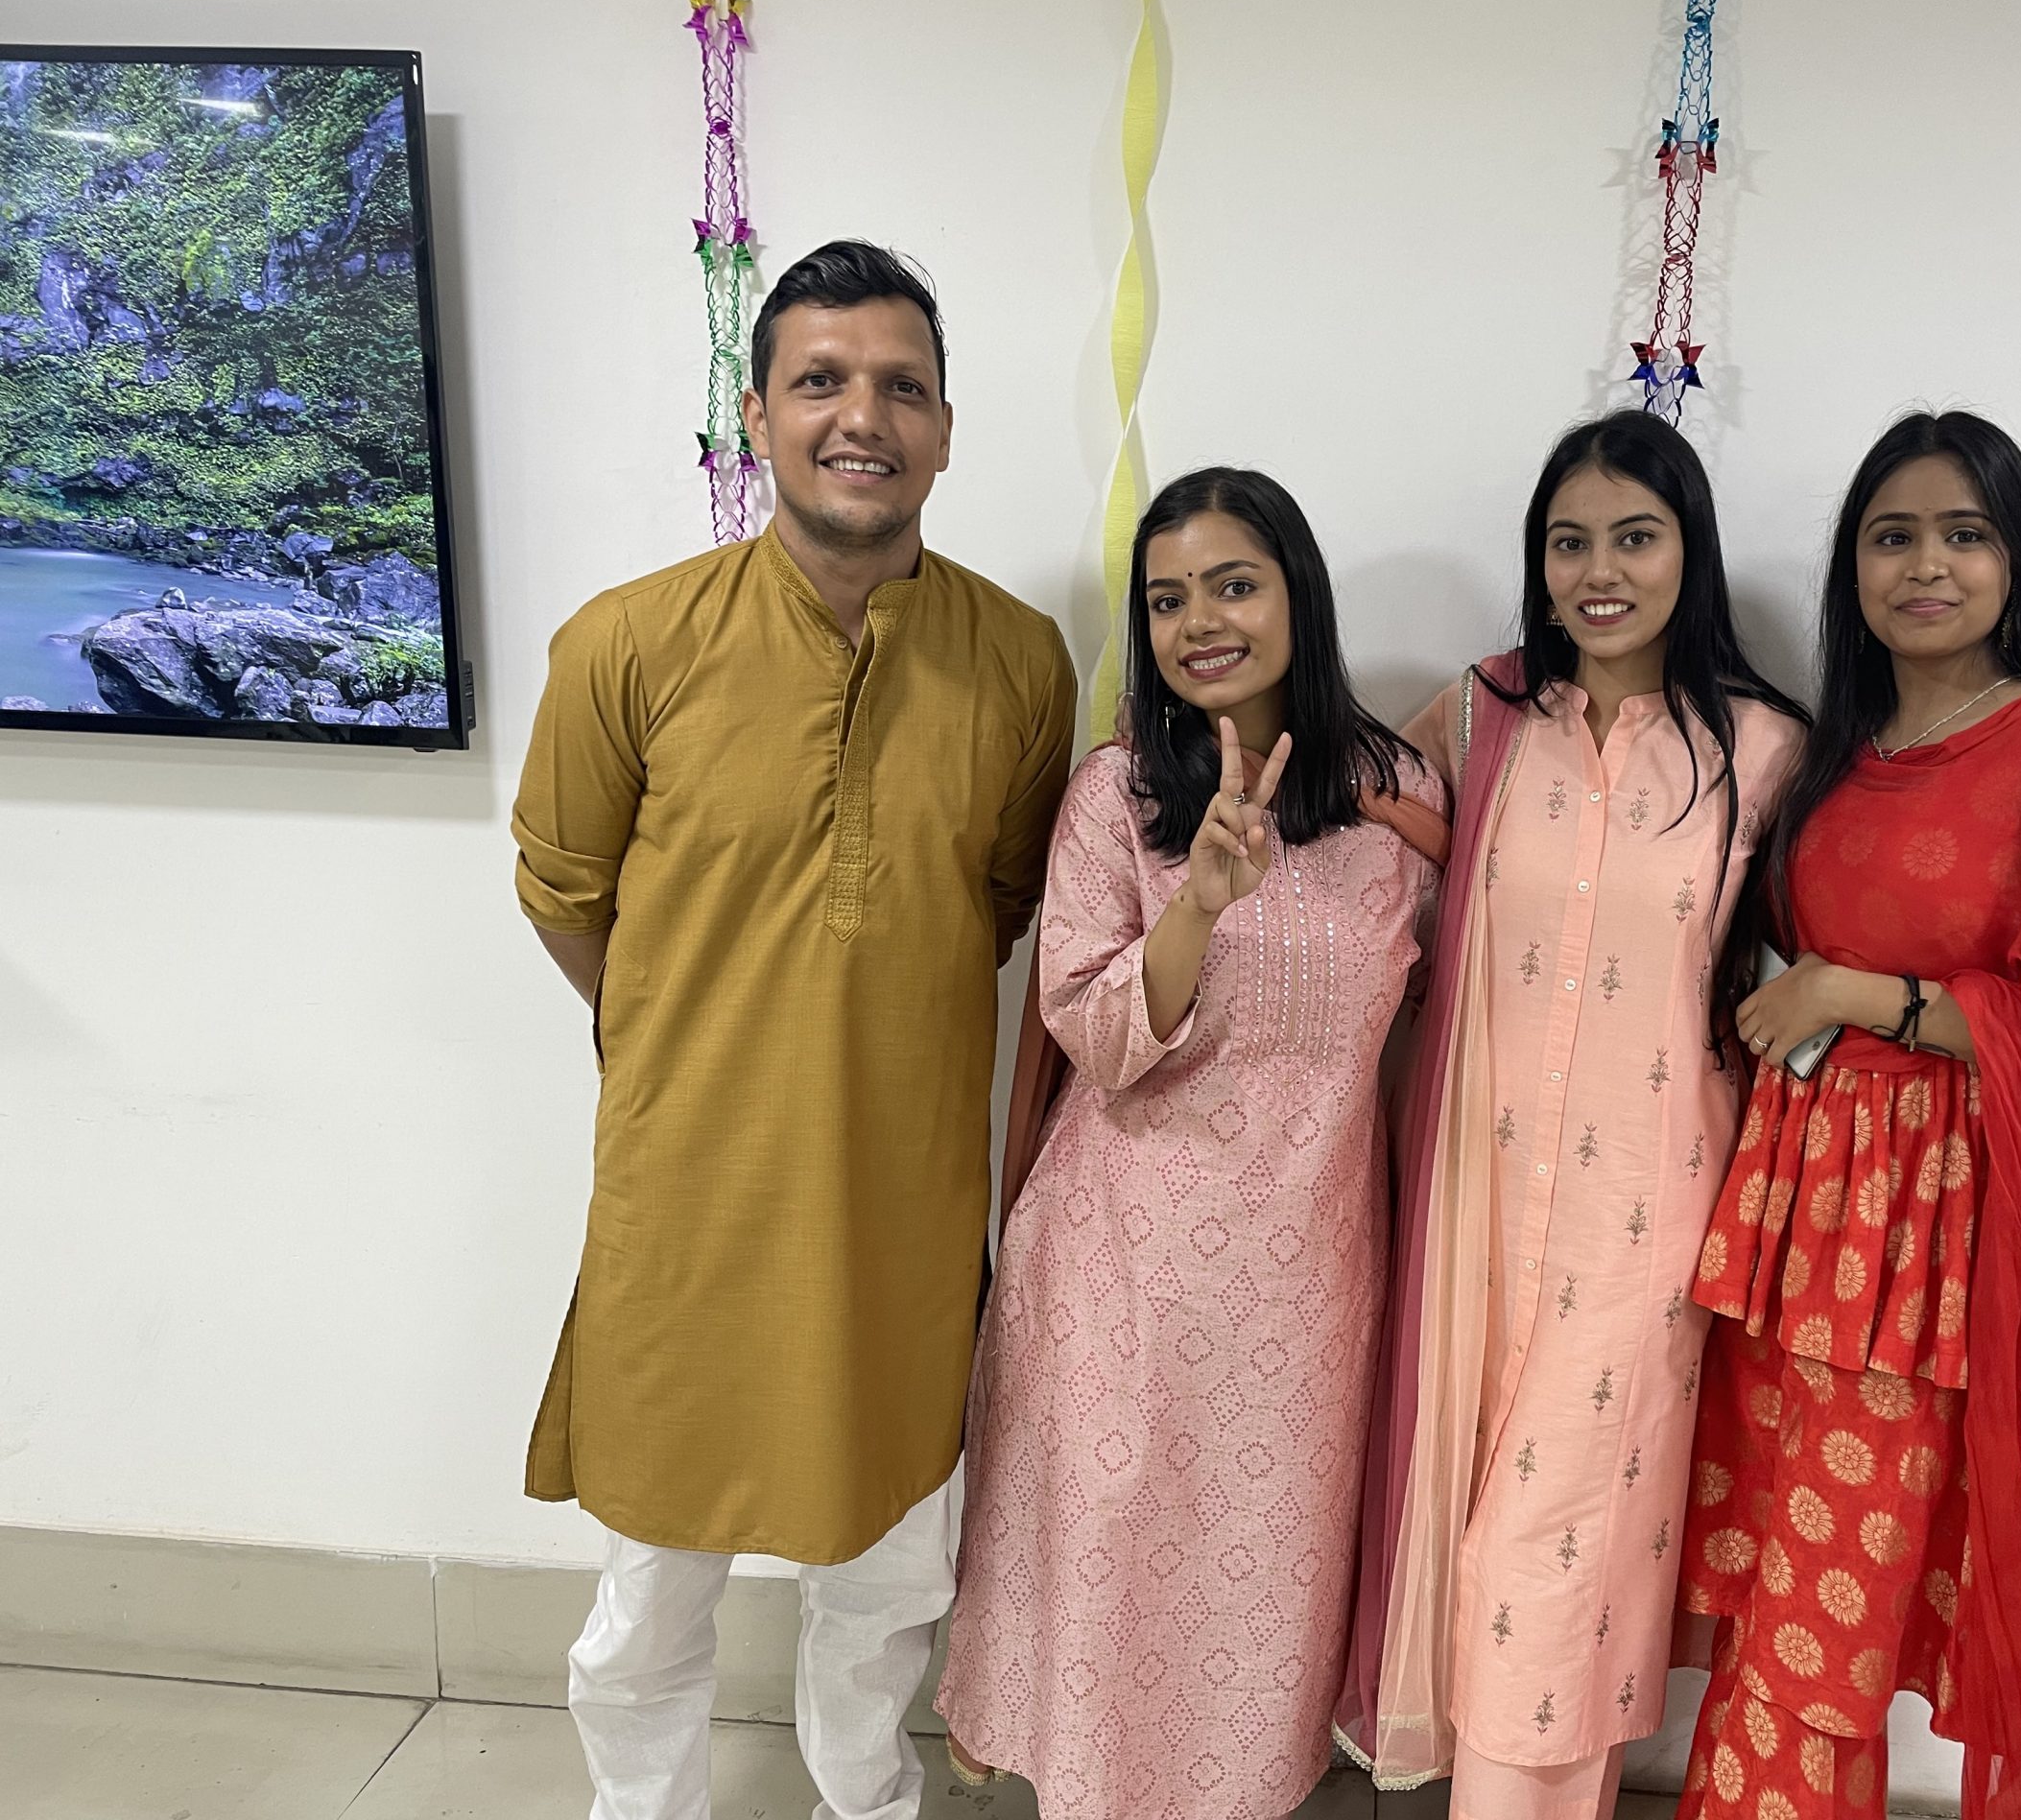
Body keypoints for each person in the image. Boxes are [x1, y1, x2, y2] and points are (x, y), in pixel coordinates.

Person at [510, 239, 1076, 1820]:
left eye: (902, 386)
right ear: (756, 414)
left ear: (946, 429)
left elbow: (1001, 899)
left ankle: (865, 1801)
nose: (861, 416)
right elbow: (561, 891)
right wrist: (693, 1042)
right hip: (690, 1201)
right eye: (820, 380)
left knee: (889, 1573)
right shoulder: (627, 644)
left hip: (902, 1207)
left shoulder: (1020, 661)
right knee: (650, 1594)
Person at [934, 467, 1448, 1820]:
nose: (1200, 622)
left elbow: (1448, 1023)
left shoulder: (1398, 797)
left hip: (1307, 1286)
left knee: (1256, 1591)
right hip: (1119, 1276)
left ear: (1298, 596)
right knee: (1110, 1580)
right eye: (1167, 601)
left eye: (1233, 585)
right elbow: (1092, 1035)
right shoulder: (1119, 797)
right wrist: (1197, 907)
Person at [1673, 411, 2021, 1820]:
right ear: (1854, 568)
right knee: (1774, 1586)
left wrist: (1855, 992)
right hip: (1784, 1220)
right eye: (1894, 537)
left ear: (2018, 563)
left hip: (1919, 1243)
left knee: (1823, 1617)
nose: (1927, 566)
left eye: (1965, 534)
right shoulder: (1838, 748)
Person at [1338, 411, 1807, 1820]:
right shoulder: (1480, 715)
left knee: (1556, 1554)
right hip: (1468, 1201)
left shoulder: (1764, 753)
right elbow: (1352, 825)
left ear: (1690, 551)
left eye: (1635, 538)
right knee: (1469, 1530)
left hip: (1643, 1222)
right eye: (1569, 542)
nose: (1599, 573)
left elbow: (1806, 956)